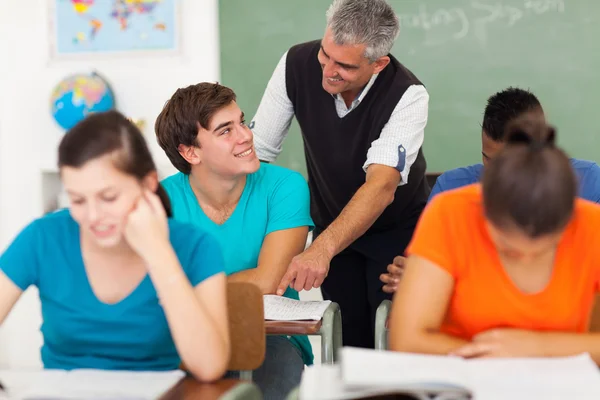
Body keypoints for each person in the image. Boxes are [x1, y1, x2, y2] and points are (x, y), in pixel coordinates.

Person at [251, 0, 431, 349]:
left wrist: (320, 249)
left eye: (345, 66)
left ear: (378, 64)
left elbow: (380, 186)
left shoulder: (408, 95)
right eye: (325, 54)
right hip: (333, 223)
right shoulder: (295, 63)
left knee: (392, 337)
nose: (328, 71)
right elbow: (258, 153)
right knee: (347, 339)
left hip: (395, 233)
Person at [0, 111, 229, 381]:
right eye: (77, 200)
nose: (93, 216)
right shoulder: (43, 237)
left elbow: (209, 366)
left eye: (108, 197)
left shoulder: (195, 246)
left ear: (148, 183)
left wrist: (158, 252)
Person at [388, 115, 600, 363]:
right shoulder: (451, 214)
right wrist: (495, 354)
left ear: (569, 218)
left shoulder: (591, 225)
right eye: (508, 249)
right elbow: (407, 339)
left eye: (544, 249)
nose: (526, 258)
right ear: (484, 207)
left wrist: (534, 347)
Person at [154, 82, 314, 400]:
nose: (245, 135)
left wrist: (188, 294)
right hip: (186, 337)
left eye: (241, 121)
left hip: (269, 338)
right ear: (190, 152)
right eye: (225, 131)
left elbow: (267, 280)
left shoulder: (285, 187)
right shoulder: (160, 200)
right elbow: (152, 290)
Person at [380, 87, 600, 294]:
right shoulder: (451, 191)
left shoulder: (588, 184)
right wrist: (414, 274)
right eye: (489, 159)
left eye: (511, 161)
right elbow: (426, 265)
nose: (498, 173)